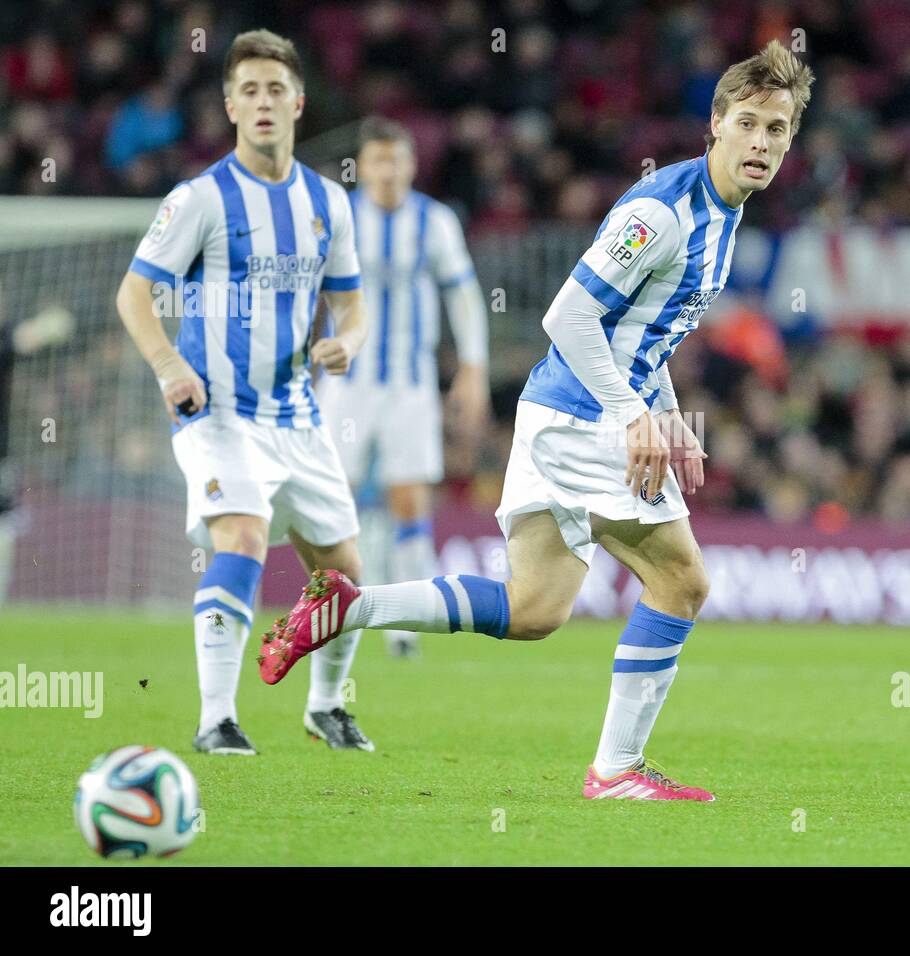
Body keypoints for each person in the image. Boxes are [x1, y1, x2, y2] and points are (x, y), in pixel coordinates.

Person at [260, 41, 815, 800]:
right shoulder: (664, 211)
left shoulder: (724, 215)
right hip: (583, 418)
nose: (760, 142)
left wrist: (664, 410)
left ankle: (353, 606)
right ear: (714, 123)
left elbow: (637, 334)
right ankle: (617, 771)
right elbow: (569, 314)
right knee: (682, 582)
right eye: (747, 123)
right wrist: (631, 414)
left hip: (565, 415)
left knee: (533, 609)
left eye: (777, 129)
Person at [115, 30, 373, 755]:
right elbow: (135, 296)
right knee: (244, 537)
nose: (263, 102)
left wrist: (345, 344)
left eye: (274, 90)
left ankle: (326, 707)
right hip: (218, 414)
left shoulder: (328, 202)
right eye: (248, 91)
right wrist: (170, 367)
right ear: (231, 106)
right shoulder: (199, 199)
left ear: (297, 101)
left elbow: (354, 305)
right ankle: (216, 720)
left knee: (346, 576)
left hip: (298, 416)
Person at [316, 116, 489, 659]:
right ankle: (327, 612)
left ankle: (404, 627)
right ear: (362, 167)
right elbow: (309, 289)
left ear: (411, 166)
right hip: (346, 382)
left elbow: (462, 294)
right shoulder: (339, 217)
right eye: (378, 161)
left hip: (409, 386)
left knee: (409, 500)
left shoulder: (433, 221)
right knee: (331, 500)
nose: (388, 171)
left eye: (397, 160)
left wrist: (473, 366)